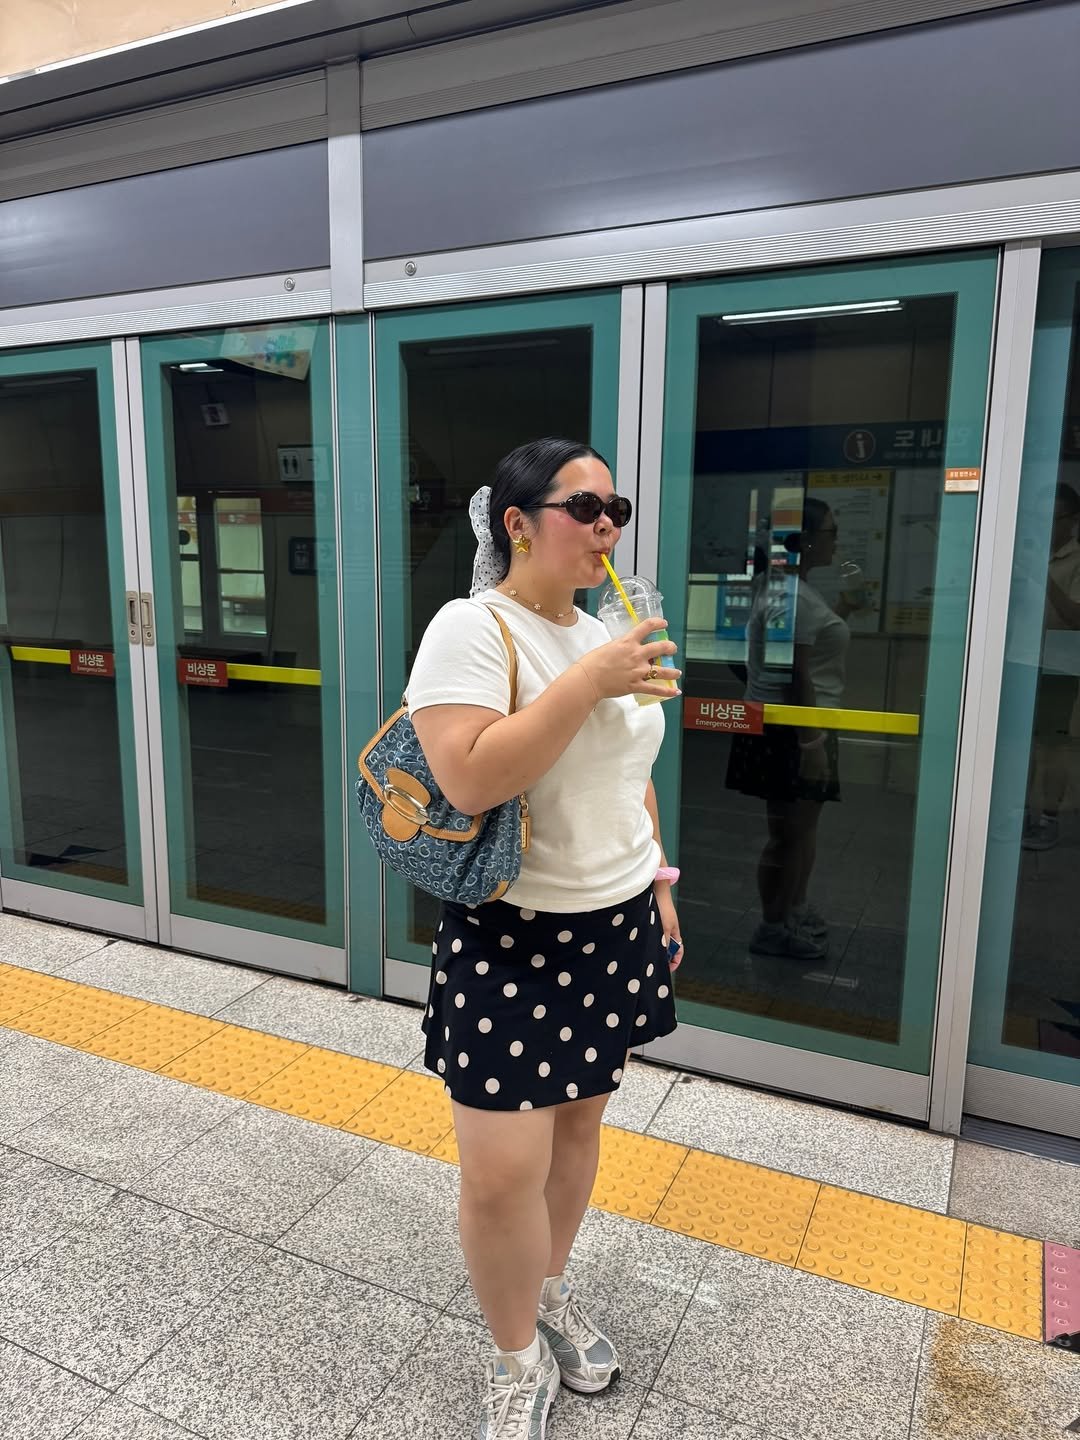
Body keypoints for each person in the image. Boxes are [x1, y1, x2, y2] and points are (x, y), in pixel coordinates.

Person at [406, 437, 683, 1439]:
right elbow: (470, 778)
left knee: (579, 1131)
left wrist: (659, 880)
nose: (606, 524)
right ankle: (514, 1352)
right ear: (518, 523)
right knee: (498, 1175)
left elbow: (629, 768)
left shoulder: (610, 631)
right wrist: (592, 679)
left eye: (617, 507)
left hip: (614, 922)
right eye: (584, 505)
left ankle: (549, 1288)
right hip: (511, 938)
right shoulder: (471, 629)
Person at [726, 497, 855, 960]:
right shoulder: (789, 594)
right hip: (794, 728)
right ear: (805, 542)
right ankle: (772, 927)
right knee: (788, 835)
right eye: (831, 533)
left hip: (800, 724)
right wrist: (811, 740)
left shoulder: (781, 586)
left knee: (802, 830)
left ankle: (792, 909)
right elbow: (795, 672)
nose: (836, 541)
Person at [1022, 482, 1080, 850]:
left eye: (1053, 518)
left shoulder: (1076, 560)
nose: (1044, 524)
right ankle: (1018, 814)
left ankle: (1048, 818)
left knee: (1050, 746)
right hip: (1018, 659)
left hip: (1059, 661)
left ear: (1072, 521)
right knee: (1017, 744)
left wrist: (1039, 575)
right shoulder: (1029, 553)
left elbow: (1075, 616)